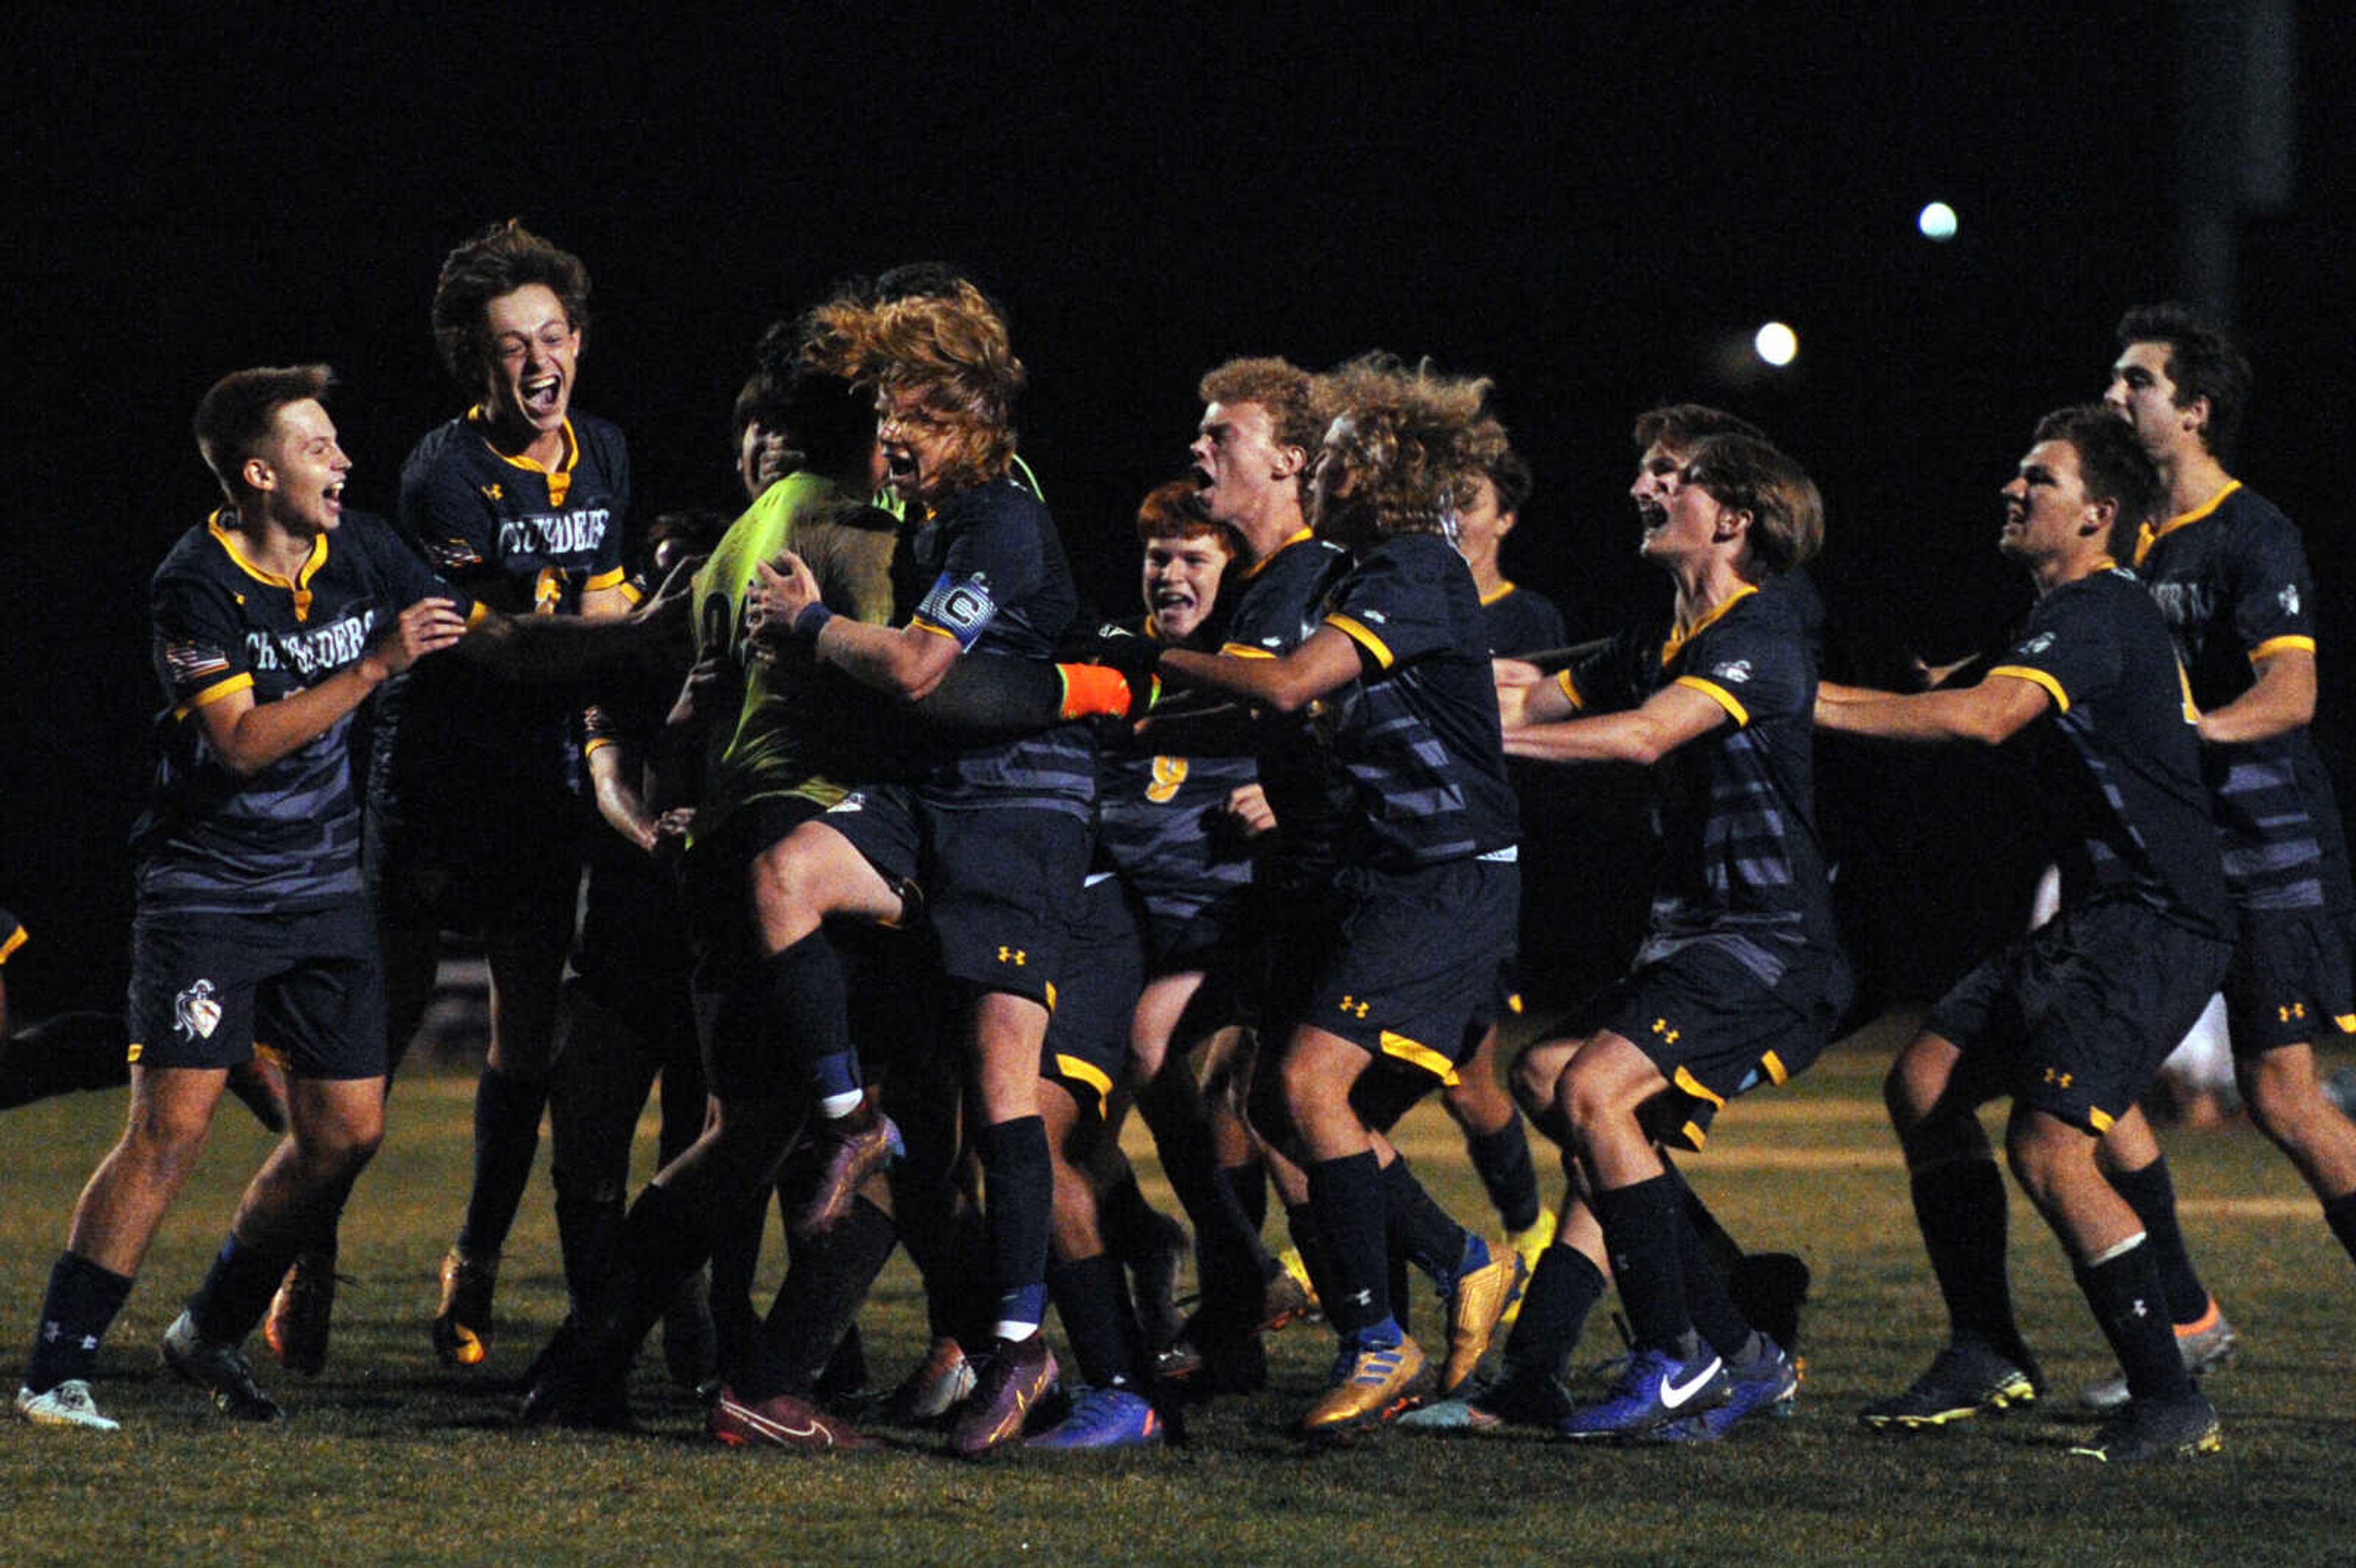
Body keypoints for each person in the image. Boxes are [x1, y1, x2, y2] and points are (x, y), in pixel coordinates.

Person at [15, 366, 473, 1431]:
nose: (344, 462)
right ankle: (55, 1370)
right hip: (207, 890)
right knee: (169, 1130)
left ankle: (208, 1329)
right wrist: (371, 668)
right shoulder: (195, 582)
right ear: (259, 473)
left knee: (347, 1132)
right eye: (320, 448)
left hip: (323, 892)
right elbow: (242, 743)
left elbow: (460, 617)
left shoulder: (353, 544)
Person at [1820, 406, 2232, 1462]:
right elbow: (1968, 692)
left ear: (2097, 514)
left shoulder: (2096, 610)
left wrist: (1795, 698)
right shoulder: (2058, 615)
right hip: (2096, 917)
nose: (2013, 491)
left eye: (2036, 479)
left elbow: (1986, 719)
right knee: (1923, 1083)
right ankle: (1987, 1347)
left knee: (2049, 1147)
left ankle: (2171, 1393)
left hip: (2154, 920)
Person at [1142, 355, 1526, 1434]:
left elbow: (1285, 685)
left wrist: (1142, 663)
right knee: (1275, 1102)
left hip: (1447, 875)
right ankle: (1462, 1259)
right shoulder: (1357, 578)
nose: (1319, 467)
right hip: (1383, 873)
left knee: (1310, 1087)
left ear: (1374, 468)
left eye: (1339, 454)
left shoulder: (1411, 567)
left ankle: (1375, 1341)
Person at [1486, 431, 1842, 1442]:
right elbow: (1532, 693)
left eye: (1671, 480)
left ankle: (1674, 1353)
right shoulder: (1659, 636)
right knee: (1549, 1076)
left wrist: (1483, 738)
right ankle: (1744, 1351)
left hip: (1771, 945)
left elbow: (1643, 735)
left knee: (1596, 1093)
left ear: (1731, 519)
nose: (1641, 486)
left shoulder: (1758, 633)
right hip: (1696, 938)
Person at [2069, 303, 2356, 1410]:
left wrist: (2192, 730)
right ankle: (2183, 1316)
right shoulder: (2123, 533)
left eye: (2134, 382)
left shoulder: (2254, 534)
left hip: (2267, 855)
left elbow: (2295, 692)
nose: (2113, 398)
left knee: (2283, 1100)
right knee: (2083, 1078)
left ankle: (2179, 1325)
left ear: (2192, 411)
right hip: (2162, 862)